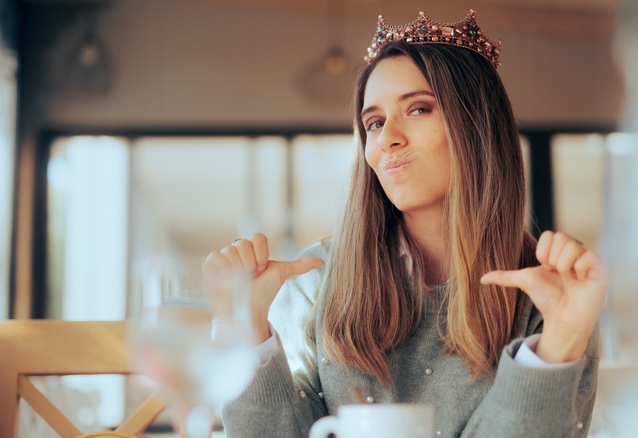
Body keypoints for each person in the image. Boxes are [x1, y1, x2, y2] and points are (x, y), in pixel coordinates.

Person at [210, 9, 608, 438]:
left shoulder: (552, 293)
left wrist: (559, 345)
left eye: (418, 109)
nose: (387, 139)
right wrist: (248, 331)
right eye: (374, 123)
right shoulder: (315, 280)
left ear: (476, 125)